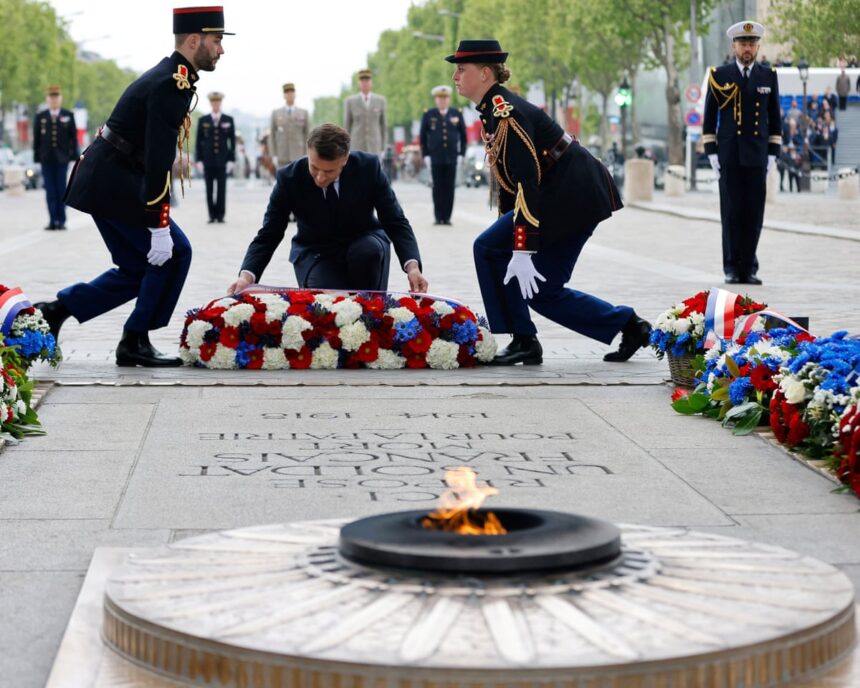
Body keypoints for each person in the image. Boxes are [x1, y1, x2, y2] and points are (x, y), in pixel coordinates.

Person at [34, 6, 231, 367]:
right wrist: (159, 225)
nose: (221, 49)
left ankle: (57, 311)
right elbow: (158, 159)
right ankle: (135, 339)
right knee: (175, 252)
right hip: (114, 181)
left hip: (107, 178)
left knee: (139, 268)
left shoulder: (174, 77)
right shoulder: (170, 83)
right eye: (216, 40)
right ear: (193, 40)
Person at [447, 39, 649, 366]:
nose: (455, 77)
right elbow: (509, 183)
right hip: (560, 195)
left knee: (498, 256)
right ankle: (628, 325)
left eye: (461, 69)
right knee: (534, 284)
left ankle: (525, 339)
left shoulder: (506, 112)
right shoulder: (492, 110)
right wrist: (512, 239)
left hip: (574, 196)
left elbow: (527, 182)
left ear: (484, 73)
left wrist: (522, 247)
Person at [228, 124, 427, 295]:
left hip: (364, 243)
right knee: (326, 303)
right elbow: (269, 233)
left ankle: (371, 310)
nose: (320, 178)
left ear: (345, 159)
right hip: (315, 251)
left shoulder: (368, 168)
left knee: (367, 253)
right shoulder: (289, 178)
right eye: (314, 168)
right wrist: (246, 276)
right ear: (308, 152)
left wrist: (413, 268)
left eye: (329, 171)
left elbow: (395, 221)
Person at [703, 20, 781, 286]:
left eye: (751, 44)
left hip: (757, 155)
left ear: (757, 47)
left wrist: (773, 153)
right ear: (734, 46)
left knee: (754, 213)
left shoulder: (768, 76)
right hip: (729, 154)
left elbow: (775, 118)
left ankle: (749, 267)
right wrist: (711, 152)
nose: (747, 48)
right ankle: (731, 267)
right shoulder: (719, 75)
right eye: (743, 44)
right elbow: (709, 118)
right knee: (731, 213)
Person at [419, 85, 467, 225]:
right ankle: (438, 216)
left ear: (449, 99)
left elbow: (463, 136)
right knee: (437, 188)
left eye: (445, 98)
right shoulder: (429, 114)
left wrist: (461, 154)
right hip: (435, 157)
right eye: (440, 98)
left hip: (451, 157)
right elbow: (423, 136)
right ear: (436, 99)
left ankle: (447, 217)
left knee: (449, 188)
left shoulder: (456, 113)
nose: (442, 101)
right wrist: (426, 155)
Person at [33, 85, 78, 230]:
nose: (54, 100)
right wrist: (37, 158)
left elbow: (73, 138)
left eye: (56, 97)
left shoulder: (68, 115)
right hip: (46, 159)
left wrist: (74, 157)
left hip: (62, 159)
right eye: (51, 97)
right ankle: (53, 220)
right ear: (47, 99)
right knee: (50, 191)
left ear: (60, 98)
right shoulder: (41, 117)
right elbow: (37, 140)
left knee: (61, 190)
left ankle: (62, 220)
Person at [195, 91, 235, 223]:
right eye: (213, 101)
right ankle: (211, 215)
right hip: (208, 160)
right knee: (209, 189)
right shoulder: (203, 120)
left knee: (222, 189)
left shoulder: (228, 119)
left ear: (220, 103)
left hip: (223, 161)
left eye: (218, 101)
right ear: (210, 103)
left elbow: (232, 142)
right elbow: (198, 142)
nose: (216, 104)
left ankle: (221, 215)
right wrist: (198, 160)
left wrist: (231, 159)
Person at [343, 69, 387, 156]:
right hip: (356, 146)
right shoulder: (350, 101)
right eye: (362, 80)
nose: (365, 83)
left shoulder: (380, 101)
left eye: (367, 80)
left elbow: (383, 126)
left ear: (371, 82)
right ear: (359, 83)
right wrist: (346, 147)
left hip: (375, 146)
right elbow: (347, 126)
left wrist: (383, 147)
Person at [270, 83, 309, 169]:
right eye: (287, 92)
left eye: (291, 92)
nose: (289, 94)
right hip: (282, 155)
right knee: (282, 177)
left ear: (295, 94)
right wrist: (273, 155)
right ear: (284, 95)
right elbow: (272, 135)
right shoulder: (276, 113)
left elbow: (307, 134)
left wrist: (308, 153)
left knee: (298, 177)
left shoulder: (303, 113)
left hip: (299, 155)